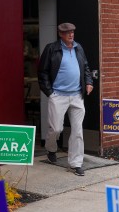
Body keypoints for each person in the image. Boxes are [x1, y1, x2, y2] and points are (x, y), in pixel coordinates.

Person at [38, 23, 93, 176]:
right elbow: (42, 73)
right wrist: (50, 92)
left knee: (77, 130)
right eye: (67, 32)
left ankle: (76, 164)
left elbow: (86, 67)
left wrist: (88, 82)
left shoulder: (78, 48)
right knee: (56, 129)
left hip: (77, 95)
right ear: (60, 34)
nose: (71, 35)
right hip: (58, 95)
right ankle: (51, 149)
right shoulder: (51, 48)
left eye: (72, 32)